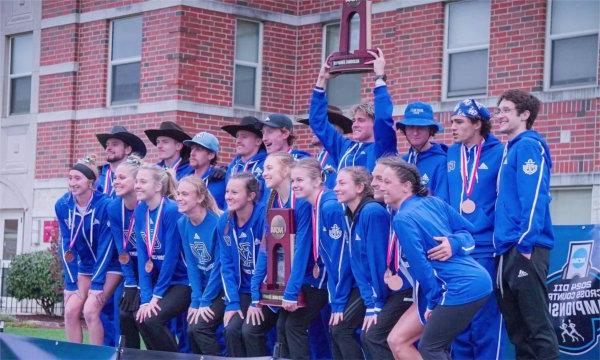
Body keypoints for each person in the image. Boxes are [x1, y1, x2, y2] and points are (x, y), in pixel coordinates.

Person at [380, 157, 492, 360]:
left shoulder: (403, 218)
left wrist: (454, 244)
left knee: (431, 348)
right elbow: (469, 233)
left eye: (387, 182)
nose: (381, 186)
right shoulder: (431, 202)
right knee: (404, 341)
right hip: (473, 282)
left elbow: (422, 265)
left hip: (458, 286)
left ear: (406, 186)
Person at [493, 89, 559, 359]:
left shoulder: (529, 146)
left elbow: (534, 197)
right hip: (505, 248)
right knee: (518, 332)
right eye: (499, 110)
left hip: (524, 247)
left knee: (537, 328)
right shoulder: (510, 149)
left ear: (525, 115)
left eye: (507, 110)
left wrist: (526, 241)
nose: (500, 115)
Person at [249, 153, 328, 359]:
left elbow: (302, 250)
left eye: (269, 168)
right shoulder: (274, 203)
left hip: (311, 278)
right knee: (283, 326)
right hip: (290, 281)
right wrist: (255, 287)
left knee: (293, 327)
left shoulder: (301, 202)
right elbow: (266, 248)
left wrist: (291, 291)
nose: (263, 173)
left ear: (286, 170)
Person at [447, 99, 505, 359]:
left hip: (484, 249)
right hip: (456, 249)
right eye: (452, 122)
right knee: (458, 322)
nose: (453, 127)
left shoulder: (499, 152)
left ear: (477, 123)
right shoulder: (450, 153)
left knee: (484, 322)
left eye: (459, 122)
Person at [54, 155, 122, 345]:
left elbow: (106, 248)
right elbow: (66, 244)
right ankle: (74, 357)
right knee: (70, 310)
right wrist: (70, 284)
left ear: (91, 182)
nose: (72, 183)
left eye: (77, 178)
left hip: (110, 266)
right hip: (86, 266)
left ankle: (97, 356)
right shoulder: (63, 205)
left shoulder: (106, 205)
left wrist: (97, 285)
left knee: (91, 310)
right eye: (70, 178)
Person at [290, 158, 348, 359]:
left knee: (342, 334)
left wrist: (337, 297)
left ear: (317, 181)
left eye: (299, 180)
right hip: (329, 281)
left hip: (343, 284)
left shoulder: (329, 206)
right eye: (292, 181)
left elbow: (340, 257)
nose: (295, 185)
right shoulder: (312, 205)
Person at [333, 166, 390, 359]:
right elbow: (353, 263)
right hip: (363, 286)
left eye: (342, 183)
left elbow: (378, 263)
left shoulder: (372, 212)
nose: (335, 188)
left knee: (362, 335)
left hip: (378, 288)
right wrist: (339, 302)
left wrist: (374, 303)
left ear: (359, 187)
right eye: (336, 183)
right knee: (337, 328)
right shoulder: (350, 213)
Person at [309, 48, 397, 172]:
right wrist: (321, 80)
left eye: (361, 120)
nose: (354, 124)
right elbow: (318, 123)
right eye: (354, 120)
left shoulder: (383, 148)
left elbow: (383, 120)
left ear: (374, 124)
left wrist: (379, 77)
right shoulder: (344, 147)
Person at [133, 164, 190, 352]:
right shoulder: (140, 210)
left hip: (182, 281)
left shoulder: (171, 210)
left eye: (142, 181)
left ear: (158, 187)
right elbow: (143, 257)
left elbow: (171, 259)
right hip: (160, 281)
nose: (137, 186)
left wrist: (155, 298)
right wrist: (145, 299)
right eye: (136, 181)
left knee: (152, 318)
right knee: (142, 316)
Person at [367, 158, 415, 360]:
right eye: (374, 178)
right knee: (384, 338)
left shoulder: (413, 210)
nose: (375, 184)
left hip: (421, 288)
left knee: (378, 337)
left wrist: (454, 243)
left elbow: (460, 233)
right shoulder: (389, 209)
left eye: (383, 179)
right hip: (402, 286)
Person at [218, 173, 266, 357]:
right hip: (242, 291)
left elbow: (271, 259)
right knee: (231, 329)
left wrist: (257, 299)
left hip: (264, 289)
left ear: (251, 196)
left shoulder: (264, 216)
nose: (228, 196)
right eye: (227, 191)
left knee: (249, 331)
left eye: (235, 192)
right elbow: (226, 266)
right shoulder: (225, 220)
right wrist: (232, 303)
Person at [176, 176, 224, 355]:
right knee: (190, 330)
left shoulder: (218, 222)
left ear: (200, 198)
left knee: (199, 328)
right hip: (203, 288)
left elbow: (220, 268)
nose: (179, 198)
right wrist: (195, 302)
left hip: (223, 288)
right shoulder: (183, 223)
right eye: (178, 193)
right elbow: (193, 267)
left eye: (185, 194)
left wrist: (204, 302)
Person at [107, 155, 143, 349]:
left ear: (136, 182)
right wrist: (130, 282)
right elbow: (122, 250)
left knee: (150, 319)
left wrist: (142, 285)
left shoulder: (148, 205)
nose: (116, 182)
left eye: (122, 178)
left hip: (153, 269)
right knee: (123, 313)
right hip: (131, 269)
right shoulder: (114, 208)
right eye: (115, 177)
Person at [395, 102, 448, 200]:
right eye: (411, 127)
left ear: (430, 130)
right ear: (404, 130)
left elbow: (442, 202)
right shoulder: (402, 162)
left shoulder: (441, 161)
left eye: (421, 127)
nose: (415, 133)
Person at [297, 105, 353, 189]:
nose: (312, 130)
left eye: (319, 127)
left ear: (331, 130)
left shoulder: (343, 155)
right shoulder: (318, 157)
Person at [96, 126, 147, 196]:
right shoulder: (97, 174)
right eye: (107, 145)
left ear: (127, 150)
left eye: (114, 144)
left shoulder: (138, 175)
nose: (108, 148)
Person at [183, 132, 226, 209]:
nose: (192, 153)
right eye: (192, 148)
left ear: (211, 155)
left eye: (198, 149)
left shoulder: (221, 180)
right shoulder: (183, 178)